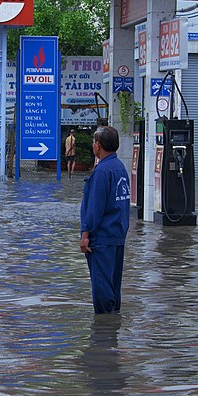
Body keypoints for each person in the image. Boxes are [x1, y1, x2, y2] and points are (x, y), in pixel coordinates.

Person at [79, 126, 131, 314]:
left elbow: (95, 207)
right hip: (117, 235)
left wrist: (85, 234)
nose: (93, 145)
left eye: (94, 142)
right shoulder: (119, 168)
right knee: (113, 286)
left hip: (101, 239)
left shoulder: (102, 171)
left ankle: (103, 332)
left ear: (98, 145)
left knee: (102, 288)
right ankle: (112, 329)